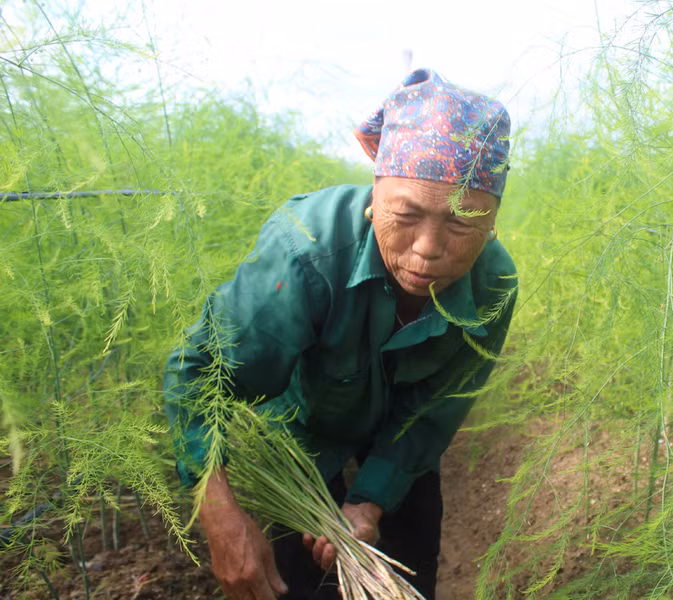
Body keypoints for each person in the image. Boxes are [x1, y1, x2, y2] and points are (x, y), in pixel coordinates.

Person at [164, 68, 517, 600]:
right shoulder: (305, 252)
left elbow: (434, 410)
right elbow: (196, 375)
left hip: (400, 430)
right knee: (298, 579)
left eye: (462, 225)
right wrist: (220, 517)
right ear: (375, 195)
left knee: (409, 564)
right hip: (302, 432)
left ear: (492, 224)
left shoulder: (493, 286)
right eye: (407, 214)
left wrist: (369, 501)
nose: (426, 249)